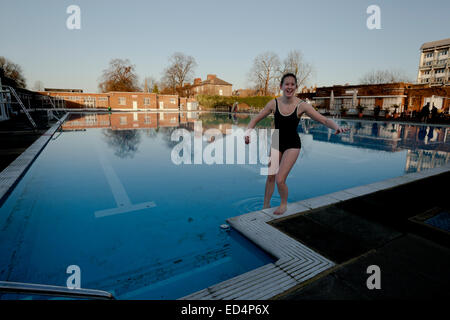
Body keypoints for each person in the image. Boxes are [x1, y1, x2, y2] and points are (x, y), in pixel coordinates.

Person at [244, 73, 349, 215]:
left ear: (296, 87)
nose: (289, 87)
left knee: (280, 179)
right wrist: (247, 133)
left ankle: (283, 204)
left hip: (292, 143)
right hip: (276, 140)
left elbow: (323, 120)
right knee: (270, 176)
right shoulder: (273, 103)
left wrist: (336, 127)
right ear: (281, 86)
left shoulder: (301, 106)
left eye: (292, 84)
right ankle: (266, 205)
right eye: (286, 84)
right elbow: (255, 119)